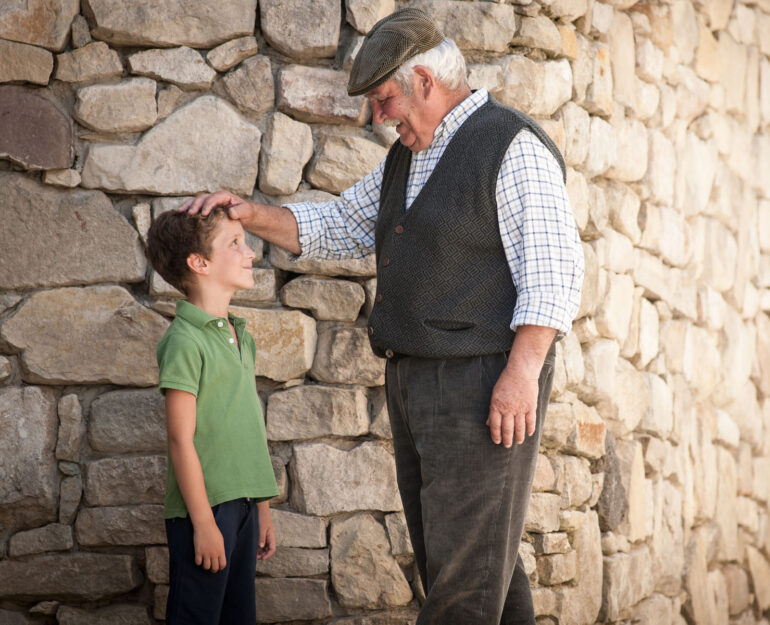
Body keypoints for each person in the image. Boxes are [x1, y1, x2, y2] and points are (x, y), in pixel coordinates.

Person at [182, 8, 584, 624]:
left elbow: (554, 272)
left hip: (480, 380)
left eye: (384, 98)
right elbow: (342, 225)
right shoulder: (409, 155)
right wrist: (249, 214)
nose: (379, 116)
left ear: (424, 80)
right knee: (470, 563)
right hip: (417, 379)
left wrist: (522, 372)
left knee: (463, 575)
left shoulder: (512, 144)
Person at [146, 207, 280, 625]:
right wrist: (204, 523)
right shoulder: (185, 341)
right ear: (199, 263)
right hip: (203, 512)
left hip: (243, 508)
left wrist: (262, 507)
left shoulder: (241, 334)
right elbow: (180, 440)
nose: (251, 253)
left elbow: (246, 426)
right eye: (235, 243)